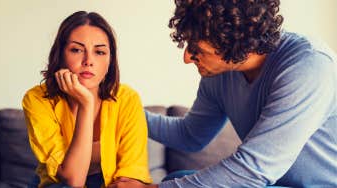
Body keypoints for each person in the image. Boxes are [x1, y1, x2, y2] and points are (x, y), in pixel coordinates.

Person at [109, 0, 337, 187]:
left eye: (197, 49)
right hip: (274, 183)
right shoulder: (219, 75)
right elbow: (190, 136)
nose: (187, 57)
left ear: (235, 43)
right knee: (174, 179)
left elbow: (253, 170)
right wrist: (122, 111)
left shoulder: (309, 64)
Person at [22, 11, 152, 188]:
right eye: (76, 50)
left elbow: (129, 179)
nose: (88, 61)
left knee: (183, 176)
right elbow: (72, 180)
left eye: (99, 52)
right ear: (60, 55)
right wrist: (86, 104)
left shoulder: (127, 99)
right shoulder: (36, 99)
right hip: (60, 185)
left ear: (110, 61)